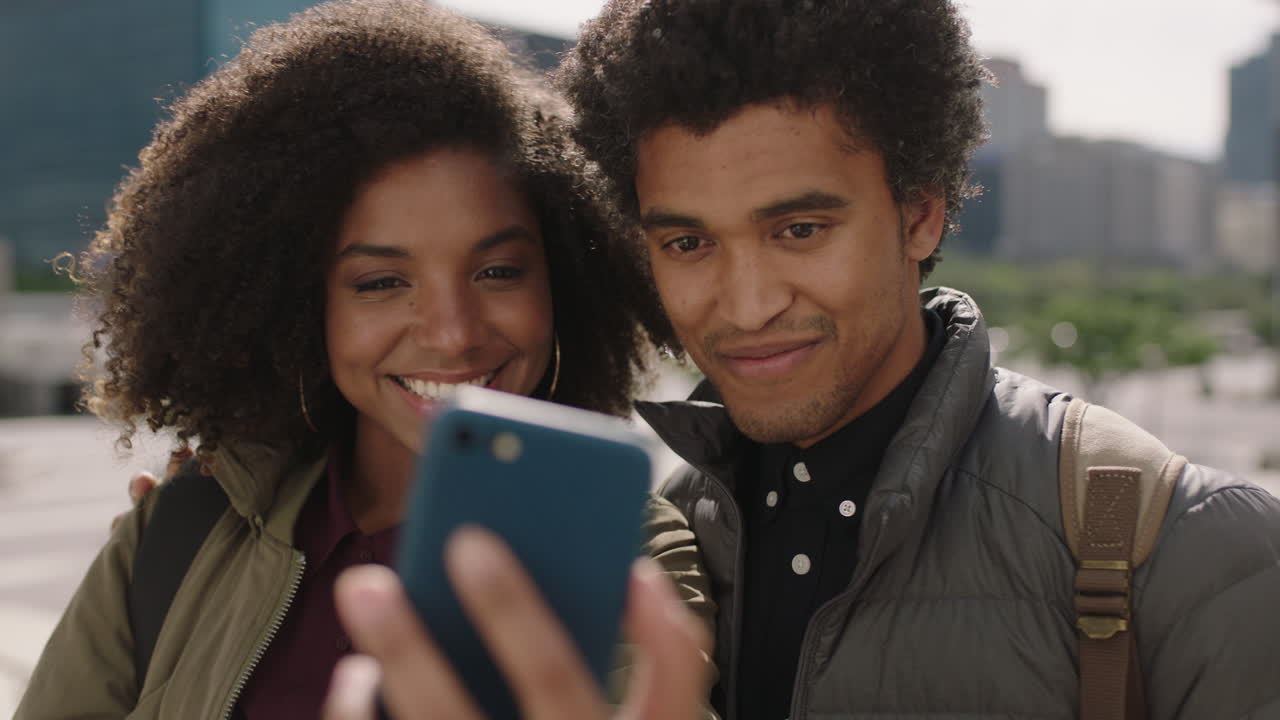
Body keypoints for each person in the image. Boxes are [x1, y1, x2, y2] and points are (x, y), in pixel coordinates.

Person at [326, 0, 1280, 718]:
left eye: (799, 228)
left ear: (920, 212)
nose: (746, 307)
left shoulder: (1187, 545)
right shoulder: (657, 548)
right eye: (688, 243)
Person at [15, 1, 712, 718]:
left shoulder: (625, 547)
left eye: (498, 271)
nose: (451, 334)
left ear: (563, 278)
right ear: (296, 307)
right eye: (381, 283)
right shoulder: (178, 533)